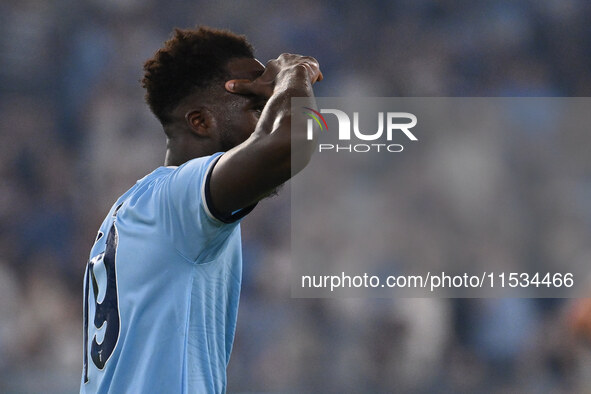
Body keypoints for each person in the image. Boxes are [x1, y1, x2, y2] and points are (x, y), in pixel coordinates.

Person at [81, 26, 322, 393]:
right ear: (200, 121)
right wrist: (295, 73)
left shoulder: (132, 209)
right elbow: (295, 140)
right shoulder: (179, 201)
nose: (267, 119)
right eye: (258, 107)